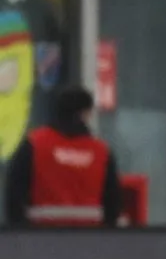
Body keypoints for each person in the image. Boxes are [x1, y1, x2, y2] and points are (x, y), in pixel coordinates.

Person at [4, 85, 121, 227]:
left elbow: (14, 196)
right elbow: (113, 204)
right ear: (86, 114)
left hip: (39, 238)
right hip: (90, 240)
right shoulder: (102, 152)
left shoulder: (34, 145)